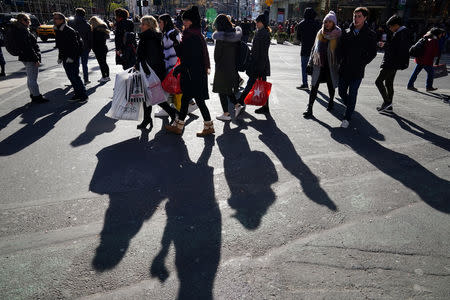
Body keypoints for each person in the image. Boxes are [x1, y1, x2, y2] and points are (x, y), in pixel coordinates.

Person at [165, 6, 214, 137]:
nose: (183, 22)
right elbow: (185, 53)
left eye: (185, 20)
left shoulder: (191, 35)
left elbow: (191, 57)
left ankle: (208, 126)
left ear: (191, 21)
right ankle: (180, 126)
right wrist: (176, 43)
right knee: (186, 99)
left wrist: (180, 67)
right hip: (193, 73)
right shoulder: (192, 33)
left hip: (193, 74)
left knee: (198, 101)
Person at [134, 15, 178, 130]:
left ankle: (172, 113)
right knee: (146, 96)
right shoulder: (151, 36)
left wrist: (145, 69)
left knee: (154, 96)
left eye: (143, 24)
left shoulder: (150, 37)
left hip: (150, 71)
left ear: (149, 25)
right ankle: (147, 118)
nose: (141, 26)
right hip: (148, 69)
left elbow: (152, 57)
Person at [337, 7, 377, 128]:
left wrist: (363, 62)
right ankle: (350, 105)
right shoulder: (346, 32)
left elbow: (373, 52)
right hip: (344, 69)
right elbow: (340, 48)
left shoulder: (370, 34)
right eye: (355, 16)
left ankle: (347, 117)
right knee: (342, 92)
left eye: (359, 16)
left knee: (353, 93)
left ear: (365, 18)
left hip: (357, 70)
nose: (356, 18)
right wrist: (339, 60)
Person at [303, 11, 341, 118]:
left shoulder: (338, 34)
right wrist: (310, 63)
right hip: (318, 64)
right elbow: (314, 49)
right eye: (326, 22)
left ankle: (331, 101)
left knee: (331, 85)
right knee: (314, 86)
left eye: (330, 22)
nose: (327, 24)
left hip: (331, 66)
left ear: (334, 23)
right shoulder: (320, 33)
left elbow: (341, 51)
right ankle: (309, 108)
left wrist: (340, 64)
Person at [238, 11, 271, 114]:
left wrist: (258, 65)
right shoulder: (261, 32)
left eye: (258, 22)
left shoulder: (263, 33)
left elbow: (262, 52)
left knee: (251, 83)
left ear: (263, 23)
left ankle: (240, 101)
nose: (256, 23)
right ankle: (265, 107)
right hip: (260, 63)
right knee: (261, 85)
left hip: (259, 64)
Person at [10, 13, 48, 103]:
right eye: (25, 20)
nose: (28, 21)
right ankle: (37, 96)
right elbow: (28, 47)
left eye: (28, 20)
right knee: (33, 79)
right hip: (29, 57)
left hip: (25, 56)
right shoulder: (22, 30)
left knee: (30, 77)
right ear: (20, 21)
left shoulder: (20, 29)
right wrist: (36, 59)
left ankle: (33, 94)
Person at [375, 15, 410, 112]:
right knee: (389, 83)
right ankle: (389, 106)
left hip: (391, 63)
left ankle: (387, 102)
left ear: (396, 25)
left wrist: (385, 45)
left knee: (378, 82)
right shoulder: (401, 32)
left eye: (391, 26)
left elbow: (396, 49)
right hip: (394, 63)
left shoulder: (401, 34)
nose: (390, 29)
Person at [212, 14, 243, 121]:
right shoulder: (235, 35)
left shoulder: (220, 37)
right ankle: (237, 105)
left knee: (221, 90)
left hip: (222, 67)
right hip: (232, 67)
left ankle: (226, 114)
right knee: (227, 89)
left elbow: (217, 56)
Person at [53, 12, 88, 103]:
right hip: (65, 57)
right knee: (71, 77)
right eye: (54, 18)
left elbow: (75, 46)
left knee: (75, 76)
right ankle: (77, 94)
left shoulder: (69, 30)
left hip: (72, 57)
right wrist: (60, 57)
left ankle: (83, 96)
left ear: (62, 20)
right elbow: (60, 46)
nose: (54, 20)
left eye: (56, 18)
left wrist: (71, 57)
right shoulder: (58, 30)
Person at [153, 14, 181, 118]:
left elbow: (174, 51)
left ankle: (170, 110)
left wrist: (171, 67)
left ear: (165, 22)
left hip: (171, 65)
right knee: (169, 88)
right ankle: (169, 109)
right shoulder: (169, 33)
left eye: (160, 22)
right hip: (171, 65)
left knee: (169, 88)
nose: (159, 24)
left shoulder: (170, 34)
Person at [407, 27, 444, 92]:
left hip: (420, 58)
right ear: (437, 34)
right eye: (440, 34)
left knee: (416, 73)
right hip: (426, 60)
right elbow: (433, 52)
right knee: (431, 73)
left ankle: (410, 85)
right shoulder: (433, 40)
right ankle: (429, 87)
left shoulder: (426, 37)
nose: (441, 35)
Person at [296, 7, 321, 90]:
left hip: (305, 49)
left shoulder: (301, 24)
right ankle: (314, 85)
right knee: (315, 68)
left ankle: (305, 83)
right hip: (315, 50)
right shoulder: (317, 24)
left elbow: (298, 38)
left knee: (304, 67)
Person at [69, 8, 92, 85]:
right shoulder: (87, 24)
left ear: (76, 13)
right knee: (84, 64)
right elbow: (89, 38)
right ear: (84, 15)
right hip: (85, 47)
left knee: (75, 65)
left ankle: (75, 80)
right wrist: (89, 48)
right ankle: (86, 79)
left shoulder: (70, 23)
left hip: (74, 47)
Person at [89, 16, 110, 83]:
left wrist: (92, 47)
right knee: (104, 62)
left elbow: (93, 40)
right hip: (104, 47)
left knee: (101, 63)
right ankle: (107, 76)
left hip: (98, 48)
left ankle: (104, 76)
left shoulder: (95, 30)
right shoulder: (103, 27)